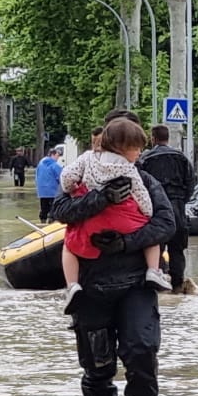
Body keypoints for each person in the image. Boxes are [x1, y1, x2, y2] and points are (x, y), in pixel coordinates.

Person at [49, 122, 179, 396]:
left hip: (136, 285)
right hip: (91, 289)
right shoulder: (82, 179)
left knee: (141, 356)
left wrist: (126, 242)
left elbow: (166, 223)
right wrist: (99, 199)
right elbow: (58, 212)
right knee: (97, 367)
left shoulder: (144, 181)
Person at [58, 119, 171, 309]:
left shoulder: (86, 159)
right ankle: (154, 271)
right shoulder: (131, 170)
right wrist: (144, 214)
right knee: (151, 235)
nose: (139, 153)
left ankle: (71, 285)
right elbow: (152, 210)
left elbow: (65, 183)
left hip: (93, 239)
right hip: (128, 227)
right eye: (136, 148)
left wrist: (76, 190)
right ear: (124, 148)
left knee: (69, 244)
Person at [137, 123, 198, 294]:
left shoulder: (146, 159)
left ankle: (155, 284)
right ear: (168, 138)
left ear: (153, 138)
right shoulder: (181, 158)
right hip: (177, 209)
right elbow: (191, 183)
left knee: (155, 247)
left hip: (155, 210)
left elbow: (139, 184)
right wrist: (182, 201)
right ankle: (177, 286)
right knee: (177, 249)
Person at [36, 146, 64, 221]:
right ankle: (51, 221)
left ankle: (42, 221)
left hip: (42, 191)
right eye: (57, 156)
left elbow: (37, 175)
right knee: (53, 208)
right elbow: (61, 177)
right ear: (53, 155)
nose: (58, 158)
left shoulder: (40, 163)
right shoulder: (55, 165)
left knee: (43, 208)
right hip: (53, 191)